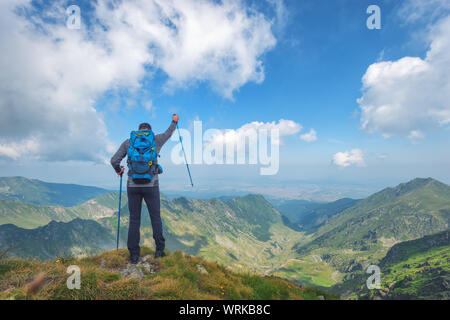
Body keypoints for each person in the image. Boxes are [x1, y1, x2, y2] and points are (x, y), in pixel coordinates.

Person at [110, 114, 179, 263]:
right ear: (149, 131)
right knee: (156, 218)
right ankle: (159, 251)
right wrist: (174, 121)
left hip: (132, 186)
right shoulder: (155, 139)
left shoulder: (129, 142)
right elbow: (169, 133)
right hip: (151, 186)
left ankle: (134, 255)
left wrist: (118, 169)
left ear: (138, 131)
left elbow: (114, 160)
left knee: (134, 220)